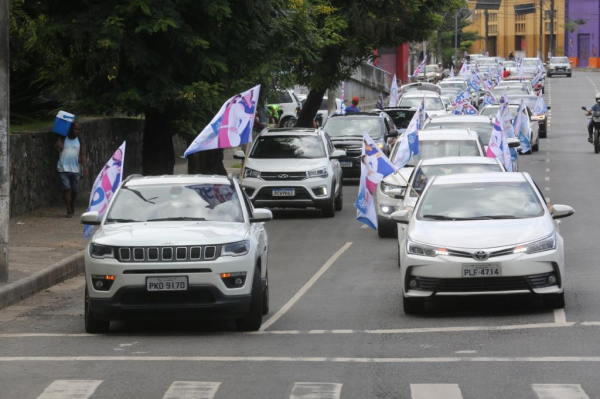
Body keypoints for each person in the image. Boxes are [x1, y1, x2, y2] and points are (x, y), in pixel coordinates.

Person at [55, 122, 88, 218]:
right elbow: (58, 148)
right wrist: (59, 137)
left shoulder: (80, 141)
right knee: (67, 189)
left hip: (75, 170)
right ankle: (69, 210)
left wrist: (85, 167)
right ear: (70, 129)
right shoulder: (64, 138)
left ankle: (71, 203)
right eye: (75, 129)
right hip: (62, 169)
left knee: (75, 191)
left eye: (78, 130)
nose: (76, 131)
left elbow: (82, 155)